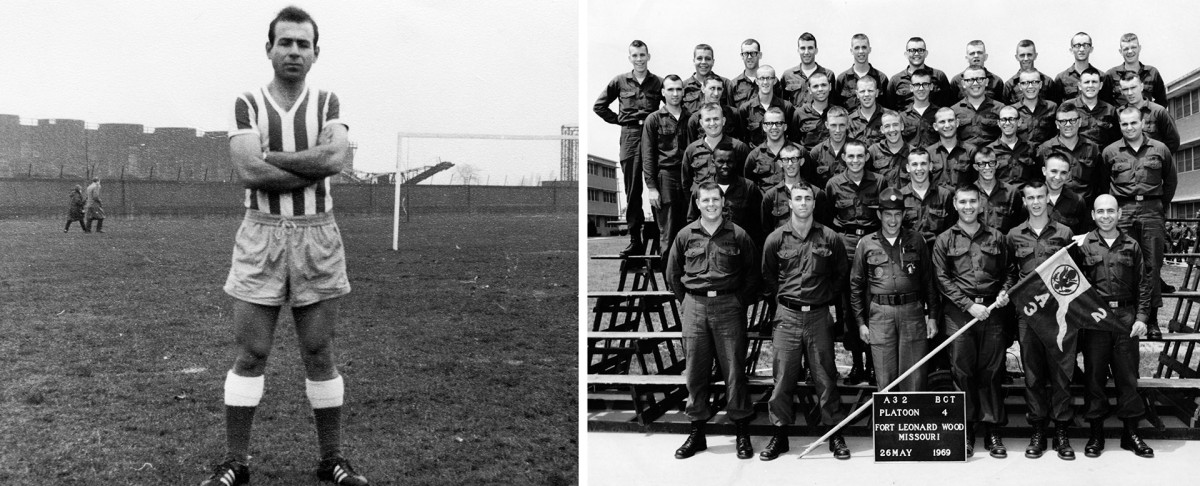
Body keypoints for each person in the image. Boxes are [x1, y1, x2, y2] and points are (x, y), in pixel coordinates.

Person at [201, 7, 366, 486]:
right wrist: (307, 166)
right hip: (261, 232)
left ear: (316, 52)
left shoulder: (328, 101)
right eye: (285, 42)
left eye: (303, 44)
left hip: (317, 232)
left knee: (319, 352)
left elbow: (335, 157)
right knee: (251, 352)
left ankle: (331, 459)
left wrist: (271, 155)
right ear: (269, 48)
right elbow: (248, 171)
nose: (294, 51)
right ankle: (236, 462)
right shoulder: (247, 101)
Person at [666, 181, 760, 460]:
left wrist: (738, 300)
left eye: (715, 200)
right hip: (694, 306)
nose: (710, 205)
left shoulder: (738, 234)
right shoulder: (685, 235)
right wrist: (686, 301)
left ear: (723, 203)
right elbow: (672, 273)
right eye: (705, 200)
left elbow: (753, 273)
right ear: (698, 203)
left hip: (729, 305)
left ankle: (742, 431)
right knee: (695, 371)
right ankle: (697, 433)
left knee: (734, 371)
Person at [759, 182, 850, 461]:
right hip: (787, 316)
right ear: (790, 203)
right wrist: (788, 301)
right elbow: (768, 277)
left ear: (814, 203)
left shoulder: (830, 237)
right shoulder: (775, 238)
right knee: (783, 377)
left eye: (807, 198)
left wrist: (821, 299)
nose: (802, 203)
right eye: (797, 198)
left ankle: (834, 433)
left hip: (819, 316)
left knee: (825, 376)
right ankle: (780, 435)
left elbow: (840, 277)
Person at [932, 184, 1015, 458]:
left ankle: (992, 431)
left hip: (992, 311)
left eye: (973, 202)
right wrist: (968, 305)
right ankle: (965, 431)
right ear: (954, 205)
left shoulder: (997, 237)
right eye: (963, 202)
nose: (968, 207)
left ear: (981, 205)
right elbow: (942, 279)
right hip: (959, 313)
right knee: (962, 372)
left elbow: (1010, 272)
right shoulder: (944, 240)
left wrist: (1004, 292)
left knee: (991, 372)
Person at [1077, 194, 1155, 458]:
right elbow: (1075, 287)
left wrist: (1142, 318)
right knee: (1094, 379)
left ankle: (1131, 433)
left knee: (1127, 378)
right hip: (1096, 320)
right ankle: (1096, 433)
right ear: (1093, 215)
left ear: (1119, 214)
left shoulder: (1131, 245)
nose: (1106, 216)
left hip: (1125, 318)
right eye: (1101, 211)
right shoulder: (1084, 245)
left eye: (1111, 211)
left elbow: (1144, 285)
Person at [1006, 180, 1077, 460]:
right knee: (1033, 375)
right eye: (1030, 197)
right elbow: (1011, 274)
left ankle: (1061, 431)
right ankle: (1038, 430)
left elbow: (1075, 275)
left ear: (1049, 198)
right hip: (1029, 316)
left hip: (1059, 314)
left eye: (1040, 196)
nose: (1036, 202)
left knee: (1061, 375)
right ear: (1024, 201)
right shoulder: (1014, 235)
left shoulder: (1064, 233)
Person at [850, 187, 938, 392]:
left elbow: (928, 281)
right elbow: (856, 286)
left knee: (914, 376)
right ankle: (889, 422)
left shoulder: (916, 240)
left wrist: (933, 315)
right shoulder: (865, 243)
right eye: (888, 214)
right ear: (879, 214)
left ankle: (912, 420)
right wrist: (861, 323)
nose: (893, 220)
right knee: (884, 375)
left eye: (897, 214)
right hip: (880, 315)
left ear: (904, 215)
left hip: (912, 313)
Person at [1104, 105, 1176, 340]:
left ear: (1143, 123)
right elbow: (1103, 184)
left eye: (1133, 123)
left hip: (1151, 211)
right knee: (1125, 263)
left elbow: (1171, 183)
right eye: (1124, 124)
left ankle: (1151, 320)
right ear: (1120, 126)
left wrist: (1156, 205)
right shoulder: (1110, 152)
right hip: (1122, 211)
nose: (1129, 127)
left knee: (1152, 265)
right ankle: (1128, 317)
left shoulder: (1160, 149)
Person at [825, 139, 886, 385]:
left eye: (860, 156)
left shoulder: (879, 181)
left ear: (867, 157)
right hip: (846, 244)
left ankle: (874, 364)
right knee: (849, 305)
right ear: (843, 159)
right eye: (850, 157)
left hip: (873, 244)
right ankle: (856, 365)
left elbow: (883, 214)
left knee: (873, 302)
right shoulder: (834, 184)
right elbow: (829, 217)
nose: (855, 161)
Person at [594, 39, 663, 257]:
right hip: (630, 136)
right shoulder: (619, 81)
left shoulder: (658, 82)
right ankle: (635, 240)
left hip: (653, 136)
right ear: (630, 58)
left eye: (642, 55)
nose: (639, 59)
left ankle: (662, 238)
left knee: (656, 185)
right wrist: (620, 121)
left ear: (648, 56)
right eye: (635, 55)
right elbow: (599, 106)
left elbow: (672, 103)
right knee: (633, 189)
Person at [642, 75, 691, 260]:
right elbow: (648, 155)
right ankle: (671, 286)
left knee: (689, 232)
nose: (675, 93)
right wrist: (652, 187)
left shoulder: (691, 118)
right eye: (670, 89)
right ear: (663, 92)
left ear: (684, 91)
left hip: (688, 179)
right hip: (666, 179)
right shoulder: (653, 120)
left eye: (679, 89)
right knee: (668, 235)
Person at [1036, 103, 1105, 206]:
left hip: (1085, 208)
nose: (1068, 125)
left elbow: (1101, 181)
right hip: (1055, 209)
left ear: (1080, 122)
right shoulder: (1045, 149)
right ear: (1056, 124)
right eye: (1063, 121)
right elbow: (1038, 181)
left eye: (1072, 120)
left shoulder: (1093, 149)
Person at [681, 103, 751, 198]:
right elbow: (686, 183)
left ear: (723, 121)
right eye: (708, 120)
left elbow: (747, 181)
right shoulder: (691, 150)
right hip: (702, 206)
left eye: (716, 119)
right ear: (701, 123)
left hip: (732, 204)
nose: (712, 123)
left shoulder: (739, 148)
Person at [762, 143, 829, 229]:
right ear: (780, 163)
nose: (790, 164)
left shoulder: (816, 193)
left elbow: (824, 227)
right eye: (785, 160)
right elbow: (766, 231)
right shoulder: (771, 196)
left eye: (794, 159)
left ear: (801, 162)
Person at [899, 148, 956, 246]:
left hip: (938, 252)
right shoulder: (900, 196)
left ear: (930, 166)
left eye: (923, 164)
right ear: (908, 168)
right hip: (909, 253)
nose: (919, 168)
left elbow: (951, 229)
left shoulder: (944, 195)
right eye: (914, 164)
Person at [1118, 73, 1179, 152]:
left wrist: (1158, 158)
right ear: (1121, 91)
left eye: (1133, 87)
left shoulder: (1159, 111)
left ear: (1141, 87)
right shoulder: (1118, 113)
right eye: (1125, 89)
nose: (1130, 93)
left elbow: (1173, 142)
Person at [887, 37, 953, 110]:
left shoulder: (939, 76)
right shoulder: (895, 80)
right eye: (912, 50)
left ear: (926, 53)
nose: (916, 53)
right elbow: (890, 109)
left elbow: (948, 104)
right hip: (905, 120)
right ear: (906, 54)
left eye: (920, 50)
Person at [744, 107, 800, 190]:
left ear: (785, 127)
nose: (774, 127)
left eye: (778, 123)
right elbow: (749, 187)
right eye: (769, 123)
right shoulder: (754, 156)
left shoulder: (799, 152)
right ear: (764, 127)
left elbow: (808, 183)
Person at [737, 65, 794, 147]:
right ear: (756, 81)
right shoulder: (745, 109)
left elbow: (792, 136)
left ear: (774, 81)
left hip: (780, 156)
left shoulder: (786, 107)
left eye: (769, 78)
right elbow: (743, 138)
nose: (765, 82)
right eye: (761, 78)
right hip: (756, 157)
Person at [1105, 33, 1167, 105]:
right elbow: (1105, 104)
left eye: (1133, 47)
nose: (1130, 51)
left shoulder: (1152, 72)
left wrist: (1151, 114)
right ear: (1120, 51)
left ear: (1139, 48)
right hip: (1121, 115)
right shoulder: (1111, 75)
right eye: (1126, 49)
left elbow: (1162, 102)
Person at [1053, 32, 1113, 105]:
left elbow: (1107, 105)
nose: (1081, 49)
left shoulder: (1102, 77)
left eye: (1086, 45)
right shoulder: (1061, 78)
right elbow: (1058, 107)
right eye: (1077, 45)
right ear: (1071, 50)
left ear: (1091, 49)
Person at [780, 33, 837, 108]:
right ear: (798, 50)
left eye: (810, 48)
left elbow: (833, 103)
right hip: (794, 119)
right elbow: (782, 103)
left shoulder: (828, 75)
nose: (806, 52)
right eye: (803, 48)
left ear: (816, 50)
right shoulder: (788, 75)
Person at [951, 66, 1004, 148]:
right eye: (970, 80)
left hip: (993, 158)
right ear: (963, 84)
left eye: (980, 79)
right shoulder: (953, 111)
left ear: (986, 82)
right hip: (965, 158)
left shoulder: (1000, 108)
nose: (975, 83)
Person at [834, 33, 888, 111]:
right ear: (851, 51)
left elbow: (887, 108)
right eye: (856, 48)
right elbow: (836, 108)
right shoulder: (842, 79)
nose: (861, 51)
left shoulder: (881, 78)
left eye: (864, 47)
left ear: (869, 49)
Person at [973, 147, 1021, 234]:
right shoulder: (970, 193)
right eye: (982, 164)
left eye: (991, 163)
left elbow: (1019, 224)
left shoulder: (1012, 193)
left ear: (997, 164)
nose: (987, 168)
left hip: (1003, 244)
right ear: (976, 167)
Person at [1042, 152, 1092, 235]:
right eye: (1054, 171)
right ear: (1044, 171)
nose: (1058, 177)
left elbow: (1082, 235)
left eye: (1063, 173)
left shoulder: (1077, 201)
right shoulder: (1032, 198)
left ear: (1069, 175)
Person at [927, 107, 977, 189]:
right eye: (942, 122)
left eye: (950, 120)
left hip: (964, 200)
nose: (947, 125)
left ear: (957, 123)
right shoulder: (928, 153)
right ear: (935, 126)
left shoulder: (971, 151)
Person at [988, 105, 1037, 184]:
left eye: (1011, 119)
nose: (1007, 123)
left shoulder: (1031, 148)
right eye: (1003, 119)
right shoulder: (990, 151)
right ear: (998, 123)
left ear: (1019, 122)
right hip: (1002, 195)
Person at [790, 71, 838, 150]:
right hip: (808, 160)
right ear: (809, 90)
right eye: (815, 86)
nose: (820, 89)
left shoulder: (837, 113)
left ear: (830, 87)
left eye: (823, 85)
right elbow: (794, 142)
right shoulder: (799, 113)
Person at [1073, 68, 1120, 149]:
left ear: (1100, 85)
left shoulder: (1110, 110)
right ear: (1080, 86)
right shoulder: (1069, 107)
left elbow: (1116, 140)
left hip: (1101, 158)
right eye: (1086, 82)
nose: (1090, 85)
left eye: (1094, 82)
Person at [685, 77, 741, 145]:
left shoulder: (734, 114)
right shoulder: (695, 119)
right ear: (703, 89)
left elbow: (741, 142)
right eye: (712, 88)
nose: (716, 93)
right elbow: (692, 148)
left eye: (719, 89)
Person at [1013, 69, 1060, 147]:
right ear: (1020, 86)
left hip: (1046, 155)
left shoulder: (1052, 107)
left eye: (1035, 82)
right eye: (1025, 83)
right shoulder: (1013, 111)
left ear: (1040, 85)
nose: (1030, 86)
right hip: (1021, 157)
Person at [1002, 40, 1056, 104]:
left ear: (1035, 56)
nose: (1026, 58)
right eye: (1022, 55)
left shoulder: (1047, 81)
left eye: (1029, 55)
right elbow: (1006, 110)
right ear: (1017, 57)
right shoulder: (1009, 85)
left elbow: (1054, 107)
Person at [730, 39, 778, 109]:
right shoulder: (733, 85)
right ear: (742, 56)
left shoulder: (772, 81)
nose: (749, 57)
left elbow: (780, 107)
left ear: (760, 55)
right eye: (746, 53)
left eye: (753, 53)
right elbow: (731, 112)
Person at [683, 44, 729, 114]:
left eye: (707, 59)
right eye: (699, 58)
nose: (703, 62)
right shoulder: (684, 86)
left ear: (713, 62)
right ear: (694, 61)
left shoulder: (725, 83)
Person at [867, 110, 909, 187]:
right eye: (887, 126)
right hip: (880, 198)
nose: (892, 129)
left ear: (902, 126)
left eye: (895, 125)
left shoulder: (913, 153)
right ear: (882, 129)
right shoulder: (873, 151)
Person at [847, 75, 885, 147]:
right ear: (857, 94)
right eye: (862, 91)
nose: (866, 94)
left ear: (876, 93)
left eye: (870, 91)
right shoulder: (849, 121)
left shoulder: (889, 117)